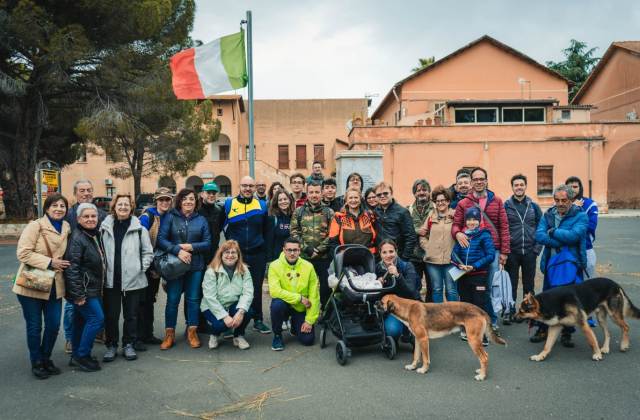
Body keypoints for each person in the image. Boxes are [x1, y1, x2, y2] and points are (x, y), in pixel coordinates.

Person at [15, 194, 71, 379]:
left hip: (55, 284)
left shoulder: (66, 226)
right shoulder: (35, 226)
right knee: (35, 326)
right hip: (32, 283)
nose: (59, 209)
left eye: (62, 206)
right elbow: (23, 253)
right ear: (46, 208)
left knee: (54, 325)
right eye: (54, 205)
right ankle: (37, 362)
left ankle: (46, 357)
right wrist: (49, 262)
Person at [451, 167, 510, 330]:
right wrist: (457, 234)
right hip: (472, 250)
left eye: (481, 179)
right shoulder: (463, 203)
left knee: (489, 287)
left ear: (486, 181)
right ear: (471, 182)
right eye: (475, 179)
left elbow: (503, 226)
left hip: (493, 250)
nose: (478, 182)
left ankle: (491, 320)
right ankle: (471, 322)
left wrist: (504, 251)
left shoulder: (496, 200)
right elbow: (456, 224)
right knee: (472, 289)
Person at [531, 184, 588, 347]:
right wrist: (557, 238)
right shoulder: (548, 215)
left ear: (571, 200)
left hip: (571, 265)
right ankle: (542, 329)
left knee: (569, 301)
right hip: (551, 264)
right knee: (547, 298)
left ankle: (566, 333)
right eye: (557, 200)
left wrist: (553, 232)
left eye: (564, 200)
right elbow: (539, 235)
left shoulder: (581, 216)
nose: (560, 203)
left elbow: (575, 236)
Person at [100, 194, 154, 362]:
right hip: (111, 280)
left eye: (126, 205)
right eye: (120, 204)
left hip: (134, 280)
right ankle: (111, 345)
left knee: (132, 315)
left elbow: (148, 252)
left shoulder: (140, 229)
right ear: (114, 207)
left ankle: (128, 344)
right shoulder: (103, 228)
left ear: (131, 208)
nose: (123, 207)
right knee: (112, 315)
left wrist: (140, 268)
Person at [157, 188, 212, 350]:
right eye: (185, 199)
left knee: (193, 299)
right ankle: (169, 334)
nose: (188, 202)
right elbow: (161, 239)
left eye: (192, 199)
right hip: (175, 266)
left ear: (196, 202)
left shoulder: (201, 220)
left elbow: (208, 243)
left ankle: (192, 332)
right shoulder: (170, 217)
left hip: (195, 266)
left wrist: (191, 247)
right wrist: (177, 250)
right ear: (180, 201)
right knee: (173, 299)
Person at [62, 179, 107, 353]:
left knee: (89, 312)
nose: (86, 193)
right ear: (75, 193)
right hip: (74, 269)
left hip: (92, 271)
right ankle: (70, 340)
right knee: (73, 308)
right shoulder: (68, 214)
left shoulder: (101, 214)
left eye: (89, 189)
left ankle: (89, 337)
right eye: (82, 190)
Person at [222, 176, 271, 334]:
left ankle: (258, 320)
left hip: (257, 253)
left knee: (256, 288)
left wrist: (265, 250)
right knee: (235, 288)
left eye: (251, 186)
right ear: (239, 186)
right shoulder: (229, 204)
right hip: (237, 255)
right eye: (244, 185)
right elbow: (223, 227)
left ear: (255, 187)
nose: (248, 188)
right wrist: (230, 247)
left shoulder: (262, 205)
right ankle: (232, 322)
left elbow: (267, 231)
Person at [451, 207, 495, 345]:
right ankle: (467, 331)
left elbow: (490, 255)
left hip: (479, 275)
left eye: (475, 219)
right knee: (466, 304)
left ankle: (483, 335)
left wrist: (474, 266)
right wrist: (460, 266)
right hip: (463, 275)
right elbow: (454, 254)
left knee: (479, 304)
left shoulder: (485, 235)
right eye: (469, 219)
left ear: (479, 220)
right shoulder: (463, 235)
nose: (472, 222)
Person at [268, 237, 320, 351]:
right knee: (277, 305)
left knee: (308, 340)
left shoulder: (308, 266)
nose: (292, 253)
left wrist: (309, 321)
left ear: (300, 251)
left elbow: (314, 295)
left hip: (301, 308)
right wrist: (299, 298)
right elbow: (274, 291)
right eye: (289, 250)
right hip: (284, 304)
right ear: (283, 250)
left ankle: (295, 326)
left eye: (295, 250)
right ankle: (277, 335)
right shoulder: (274, 266)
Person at [137, 187, 173, 348]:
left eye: (167, 200)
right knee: (140, 301)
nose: (164, 202)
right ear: (156, 201)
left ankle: (147, 334)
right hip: (144, 264)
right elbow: (140, 242)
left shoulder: (171, 216)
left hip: (159, 265)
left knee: (150, 299)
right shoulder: (147, 216)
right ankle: (136, 337)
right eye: (161, 200)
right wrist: (150, 267)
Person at [201, 240, 254, 350]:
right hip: (212, 306)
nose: (230, 255)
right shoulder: (211, 271)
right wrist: (225, 316)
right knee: (221, 325)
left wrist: (240, 312)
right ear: (221, 254)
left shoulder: (244, 270)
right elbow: (210, 297)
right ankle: (214, 334)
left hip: (233, 303)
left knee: (248, 312)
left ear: (238, 255)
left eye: (233, 252)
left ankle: (238, 335)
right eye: (226, 252)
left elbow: (248, 292)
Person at [503, 174, 542, 324]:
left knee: (529, 284)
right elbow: (503, 227)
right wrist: (505, 250)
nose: (519, 187)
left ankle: (529, 311)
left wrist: (537, 249)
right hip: (512, 251)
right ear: (512, 187)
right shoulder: (506, 206)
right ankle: (510, 311)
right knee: (510, 284)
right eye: (516, 185)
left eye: (521, 184)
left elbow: (541, 227)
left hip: (530, 252)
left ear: (525, 186)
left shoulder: (534, 206)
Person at [290, 181, 334, 308]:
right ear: (307, 193)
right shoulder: (299, 211)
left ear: (321, 193)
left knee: (325, 290)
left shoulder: (329, 212)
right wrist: (307, 249)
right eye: (311, 192)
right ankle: (303, 315)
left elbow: (332, 234)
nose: (314, 195)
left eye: (317, 192)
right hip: (304, 258)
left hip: (324, 258)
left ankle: (326, 316)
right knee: (304, 288)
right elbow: (294, 233)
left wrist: (319, 250)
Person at [376, 240, 421, 341]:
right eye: (384, 252)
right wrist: (377, 285)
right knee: (392, 330)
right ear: (380, 254)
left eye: (391, 251)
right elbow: (376, 296)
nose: (388, 255)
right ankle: (399, 333)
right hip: (392, 309)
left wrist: (397, 275)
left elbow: (411, 292)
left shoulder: (407, 266)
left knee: (417, 331)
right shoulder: (377, 268)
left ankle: (408, 331)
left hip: (410, 306)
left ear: (396, 251)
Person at [419, 186, 458, 303]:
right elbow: (422, 234)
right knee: (437, 289)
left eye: (443, 200)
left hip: (452, 260)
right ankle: (438, 318)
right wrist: (428, 247)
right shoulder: (431, 216)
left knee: (451, 290)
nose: (440, 203)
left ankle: (454, 317)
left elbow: (462, 233)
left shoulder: (456, 215)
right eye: (437, 201)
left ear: (448, 201)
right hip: (432, 261)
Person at [374, 182, 417, 263]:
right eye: (379, 195)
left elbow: (411, 237)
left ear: (391, 193)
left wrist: (404, 259)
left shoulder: (402, 212)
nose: (382, 196)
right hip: (381, 259)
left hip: (398, 257)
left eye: (385, 193)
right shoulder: (375, 211)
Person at [328, 187, 378, 254]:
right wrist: (341, 255)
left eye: (356, 197)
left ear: (360, 199)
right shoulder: (338, 217)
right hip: (346, 257)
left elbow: (376, 238)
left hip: (368, 258)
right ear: (346, 200)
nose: (353, 200)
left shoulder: (370, 215)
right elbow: (333, 242)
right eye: (350, 198)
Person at [565, 176, 598, 278]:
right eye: (569, 187)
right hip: (566, 250)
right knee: (569, 284)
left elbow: (590, 226)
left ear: (580, 188)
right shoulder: (560, 203)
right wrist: (573, 208)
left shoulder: (590, 204)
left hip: (586, 248)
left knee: (588, 285)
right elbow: (558, 226)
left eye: (575, 187)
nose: (572, 189)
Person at [408, 179, 433, 301]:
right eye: (418, 190)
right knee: (414, 285)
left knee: (433, 287)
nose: (422, 192)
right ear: (414, 193)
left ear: (429, 192)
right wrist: (417, 231)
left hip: (432, 254)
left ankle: (430, 311)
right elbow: (406, 230)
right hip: (414, 255)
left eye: (424, 190)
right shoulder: (408, 210)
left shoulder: (436, 208)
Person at [199, 182, 225, 265]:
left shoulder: (220, 210)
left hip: (214, 253)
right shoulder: (196, 210)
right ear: (202, 194)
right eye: (208, 193)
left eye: (213, 193)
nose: (211, 195)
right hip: (199, 254)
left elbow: (220, 228)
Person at [265, 189, 294, 262]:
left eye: (285, 199)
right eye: (280, 200)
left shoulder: (294, 216)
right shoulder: (272, 218)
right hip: (277, 259)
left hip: (293, 257)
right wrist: (269, 260)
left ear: (289, 200)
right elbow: (269, 241)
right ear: (276, 202)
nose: (283, 201)